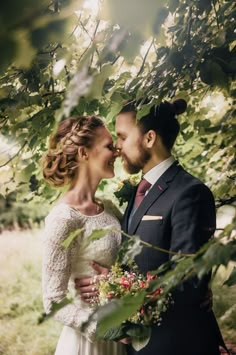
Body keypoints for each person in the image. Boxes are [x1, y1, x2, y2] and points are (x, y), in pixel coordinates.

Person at [77, 99, 227, 355]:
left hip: (178, 345)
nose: (117, 147)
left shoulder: (191, 193)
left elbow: (187, 284)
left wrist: (114, 284)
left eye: (123, 137)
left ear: (149, 138)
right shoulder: (138, 192)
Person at [41, 115, 126, 355]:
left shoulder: (109, 209)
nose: (117, 151)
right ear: (84, 153)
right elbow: (53, 302)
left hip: (121, 338)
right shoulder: (64, 219)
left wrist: (115, 284)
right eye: (109, 146)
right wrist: (105, 329)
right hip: (89, 343)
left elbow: (129, 265)